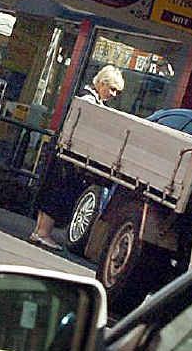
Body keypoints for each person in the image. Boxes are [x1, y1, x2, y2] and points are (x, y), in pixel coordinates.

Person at [28, 65, 125, 251]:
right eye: (112, 89)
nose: (113, 94)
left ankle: (39, 231)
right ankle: (43, 233)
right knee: (58, 193)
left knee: (52, 192)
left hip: (63, 150)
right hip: (68, 154)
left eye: (117, 92)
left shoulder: (88, 99)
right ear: (102, 83)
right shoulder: (88, 101)